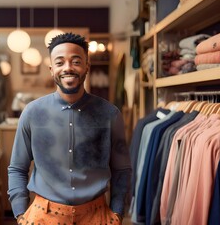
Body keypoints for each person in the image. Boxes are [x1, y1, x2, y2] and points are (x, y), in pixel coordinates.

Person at [8, 32, 131, 224]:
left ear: (87, 67)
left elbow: (122, 169)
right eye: (60, 62)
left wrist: (117, 213)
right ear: (51, 69)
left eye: (76, 61)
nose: (68, 68)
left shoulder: (110, 114)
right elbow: (17, 168)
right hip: (42, 216)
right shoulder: (32, 113)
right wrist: (20, 214)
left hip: (97, 216)